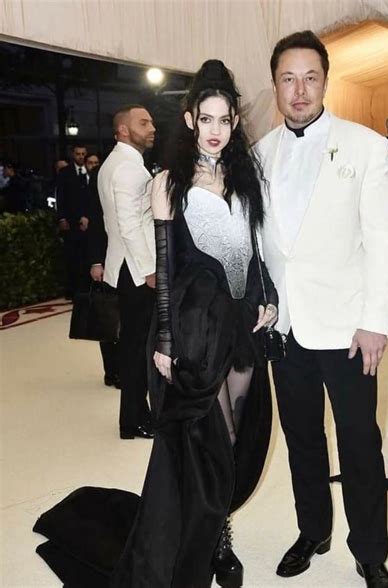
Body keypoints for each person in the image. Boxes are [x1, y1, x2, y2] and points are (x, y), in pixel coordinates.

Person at [33, 60, 277, 588]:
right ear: (190, 120)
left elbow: (255, 252)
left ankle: (217, 522)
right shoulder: (169, 182)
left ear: (235, 122)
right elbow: (165, 268)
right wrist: (163, 339)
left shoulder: (246, 178)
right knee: (213, 440)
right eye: (206, 119)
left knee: (240, 438)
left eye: (225, 120)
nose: (215, 130)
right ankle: (216, 540)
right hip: (195, 329)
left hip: (242, 328)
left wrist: (270, 297)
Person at [256, 31, 388, 588]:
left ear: (325, 82)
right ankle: (312, 530)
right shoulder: (258, 154)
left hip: (348, 328)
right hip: (285, 327)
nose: (299, 90)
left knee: (360, 443)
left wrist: (375, 322)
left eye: (310, 77)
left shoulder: (365, 146)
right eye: (288, 79)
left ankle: (370, 551)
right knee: (302, 438)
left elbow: (381, 241)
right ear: (275, 86)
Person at [98, 105, 156, 439]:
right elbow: (129, 225)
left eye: (151, 122)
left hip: (126, 267)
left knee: (134, 348)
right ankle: (134, 420)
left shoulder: (116, 163)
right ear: (123, 130)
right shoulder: (127, 169)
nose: (152, 128)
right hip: (135, 271)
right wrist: (149, 270)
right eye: (143, 123)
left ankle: (134, 418)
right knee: (137, 350)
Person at [87, 154, 120, 389]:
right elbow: (95, 225)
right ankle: (112, 371)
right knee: (108, 318)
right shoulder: (99, 178)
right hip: (106, 261)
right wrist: (96, 262)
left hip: (125, 261)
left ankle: (123, 369)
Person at [56, 144, 90, 297]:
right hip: (71, 221)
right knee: (72, 256)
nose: (81, 156)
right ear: (73, 154)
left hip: (89, 221)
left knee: (87, 255)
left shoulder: (90, 171)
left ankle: (88, 288)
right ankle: (74, 289)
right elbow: (61, 197)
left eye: (83, 154)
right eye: (78, 154)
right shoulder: (65, 173)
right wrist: (62, 218)